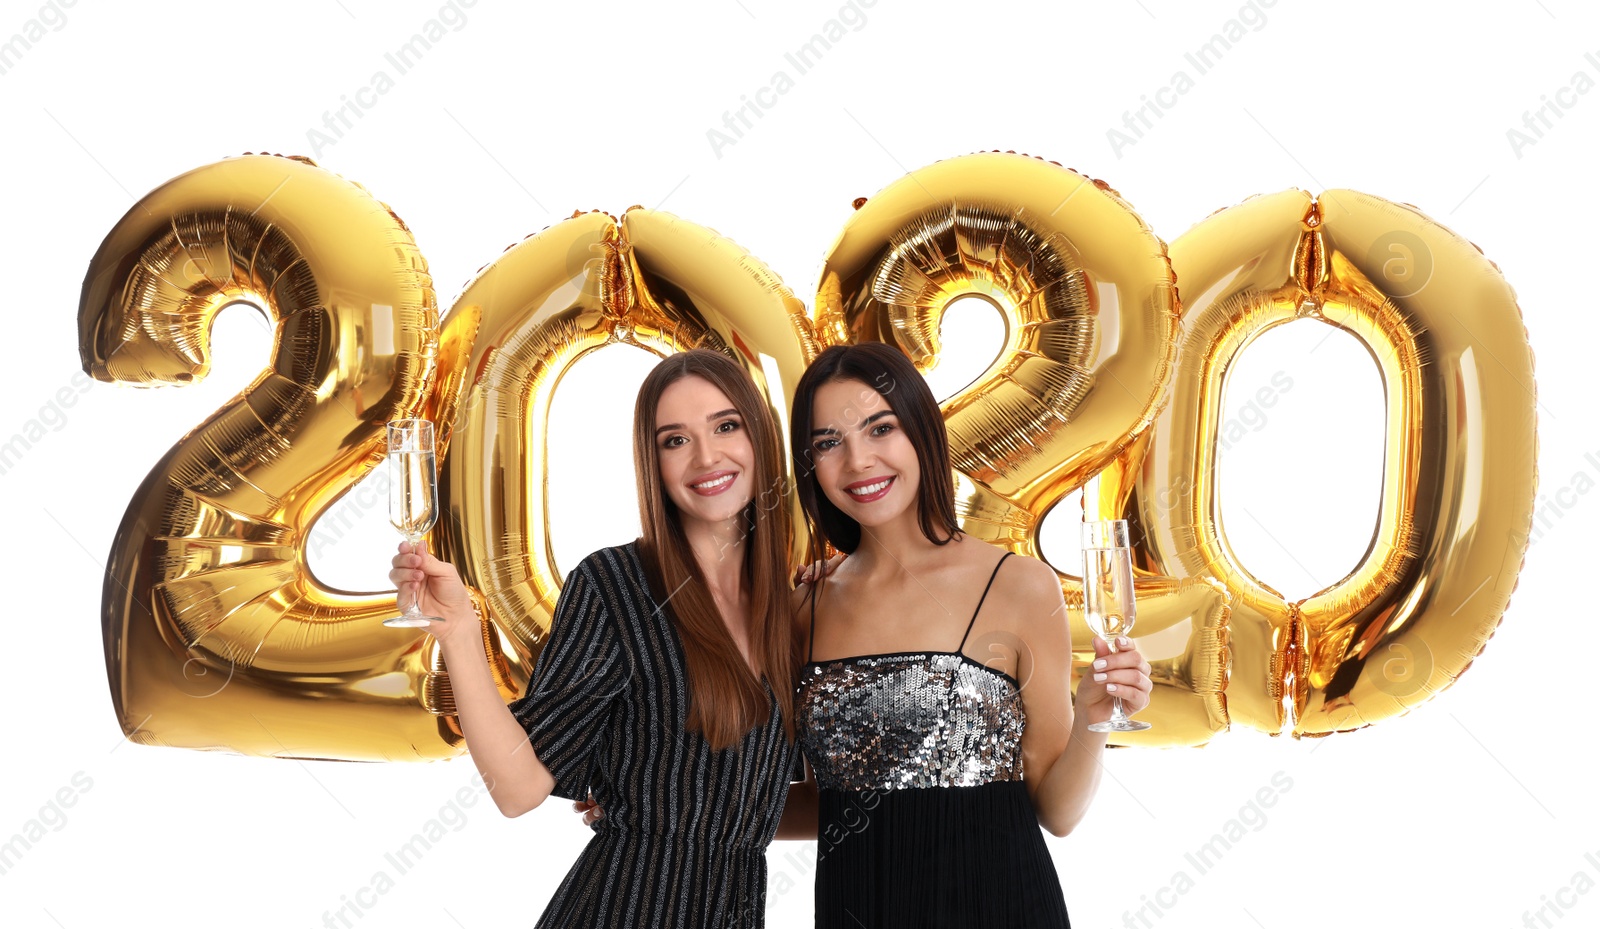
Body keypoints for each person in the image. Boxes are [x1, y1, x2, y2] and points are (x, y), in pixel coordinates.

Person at [389, 348, 813, 928]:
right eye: (674, 440)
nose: (706, 456)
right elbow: (519, 789)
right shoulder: (615, 585)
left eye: (726, 425)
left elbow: (751, 806)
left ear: (759, 438)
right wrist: (460, 632)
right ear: (652, 463)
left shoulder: (790, 606)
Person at [777, 341, 1154, 927]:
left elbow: (1055, 812)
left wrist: (1092, 721)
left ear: (922, 431)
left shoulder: (1021, 586)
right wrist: (653, 802)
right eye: (829, 443)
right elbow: (814, 803)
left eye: (881, 429)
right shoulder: (804, 606)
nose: (857, 461)